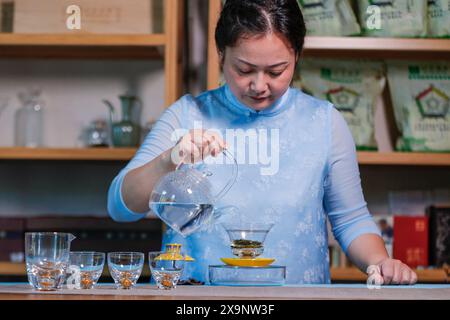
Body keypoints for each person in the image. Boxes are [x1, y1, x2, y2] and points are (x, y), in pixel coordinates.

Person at [108, 0, 417, 285]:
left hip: (298, 295)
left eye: (276, 71)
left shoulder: (323, 122)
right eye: (244, 70)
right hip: (200, 299)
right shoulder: (188, 115)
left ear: (297, 55)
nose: (259, 85)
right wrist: (168, 159)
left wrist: (381, 262)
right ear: (221, 54)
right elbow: (120, 208)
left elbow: (350, 219)